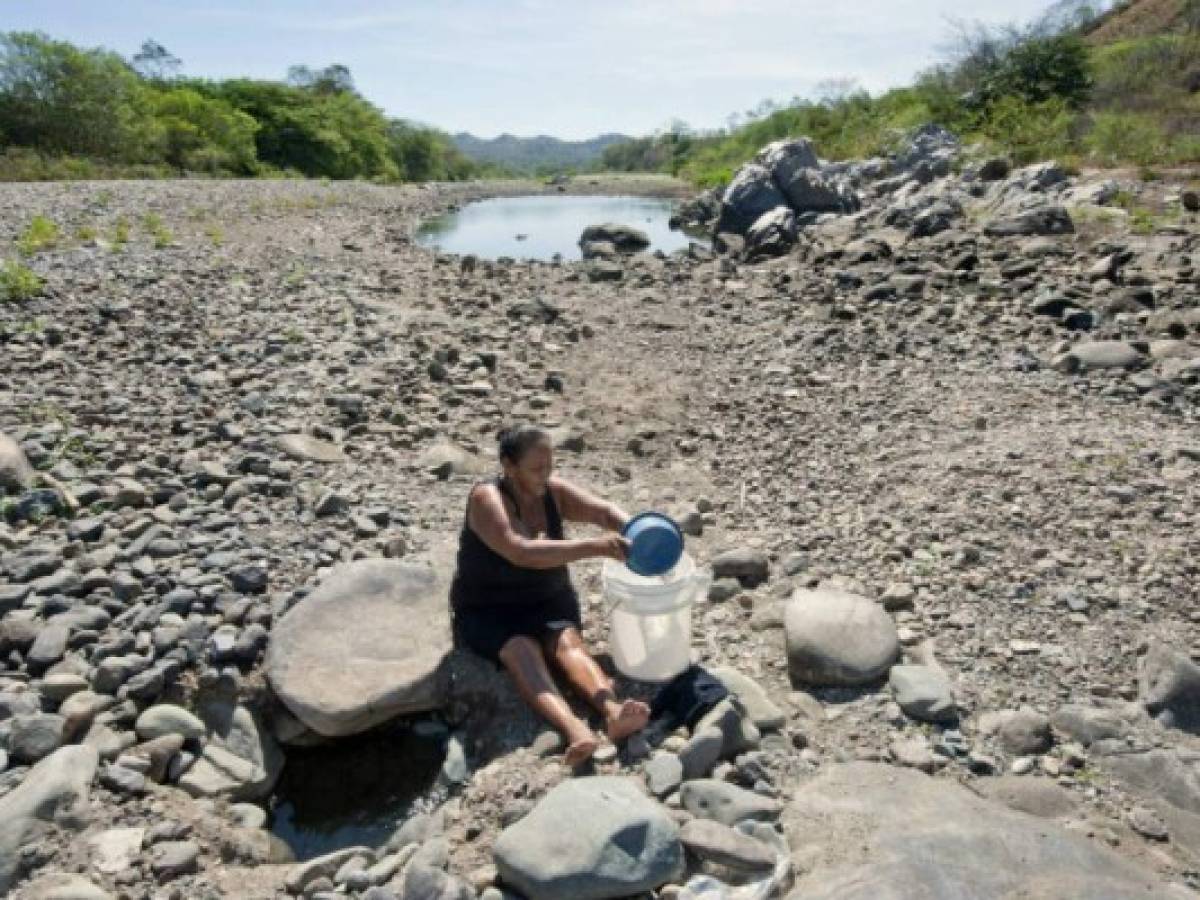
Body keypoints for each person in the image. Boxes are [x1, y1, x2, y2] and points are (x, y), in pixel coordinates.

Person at [449, 424, 650, 766]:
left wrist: (638, 532)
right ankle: (574, 729)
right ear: (509, 467)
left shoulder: (552, 491)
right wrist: (594, 547)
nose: (546, 475)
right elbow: (520, 551)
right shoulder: (487, 498)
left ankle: (613, 712)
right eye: (536, 469)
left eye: (550, 466)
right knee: (521, 649)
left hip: (546, 598)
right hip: (490, 607)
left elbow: (602, 512)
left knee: (568, 643)